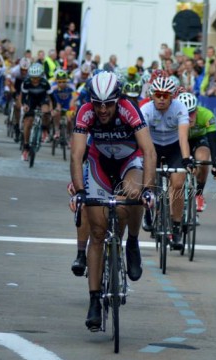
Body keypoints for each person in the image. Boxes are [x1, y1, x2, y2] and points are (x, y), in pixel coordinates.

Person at [69, 72, 156, 331]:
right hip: (100, 164)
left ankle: (132, 242)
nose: (103, 109)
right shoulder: (85, 112)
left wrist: (149, 190)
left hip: (129, 162)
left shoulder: (129, 109)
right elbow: (76, 155)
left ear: (117, 100)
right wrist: (80, 191)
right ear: (91, 101)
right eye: (98, 103)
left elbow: (149, 151)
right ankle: (94, 300)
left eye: (109, 103)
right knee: (97, 233)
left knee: (134, 192)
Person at [140, 76, 192, 250]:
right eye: (158, 95)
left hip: (174, 148)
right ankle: (148, 213)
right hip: (152, 147)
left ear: (172, 97)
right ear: (152, 95)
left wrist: (186, 160)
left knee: (177, 184)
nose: (161, 98)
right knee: (149, 181)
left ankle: (176, 226)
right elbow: (143, 140)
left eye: (165, 95)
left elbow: (184, 138)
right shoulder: (146, 110)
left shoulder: (180, 108)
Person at [177, 92, 216, 213]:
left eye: (192, 112)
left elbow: (213, 142)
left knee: (203, 159)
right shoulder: (174, 115)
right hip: (181, 138)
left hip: (199, 139)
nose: (189, 117)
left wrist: (215, 164)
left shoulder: (206, 115)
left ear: (197, 109)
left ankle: (199, 193)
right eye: (186, 114)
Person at [20, 63, 52, 161]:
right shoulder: (26, 82)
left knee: (46, 111)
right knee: (28, 122)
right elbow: (23, 98)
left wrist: (52, 108)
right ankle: (26, 148)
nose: (35, 80)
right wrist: (24, 105)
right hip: (31, 101)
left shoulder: (45, 83)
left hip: (42, 100)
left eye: (37, 78)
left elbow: (52, 97)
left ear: (41, 76)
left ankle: (44, 129)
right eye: (33, 78)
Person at [49, 69, 76, 141]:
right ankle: (57, 131)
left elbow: (74, 98)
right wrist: (51, 110)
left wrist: (72, 109)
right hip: (57, 103)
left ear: (66, 80)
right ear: (56, 81)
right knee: (57, 112)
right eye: (59, 82)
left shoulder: (71, 86)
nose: (61, 83)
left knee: (69, 119)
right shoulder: (53, 86)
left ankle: (70, 135)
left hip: (68, 104)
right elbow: (50, 100)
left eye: (64, 81)